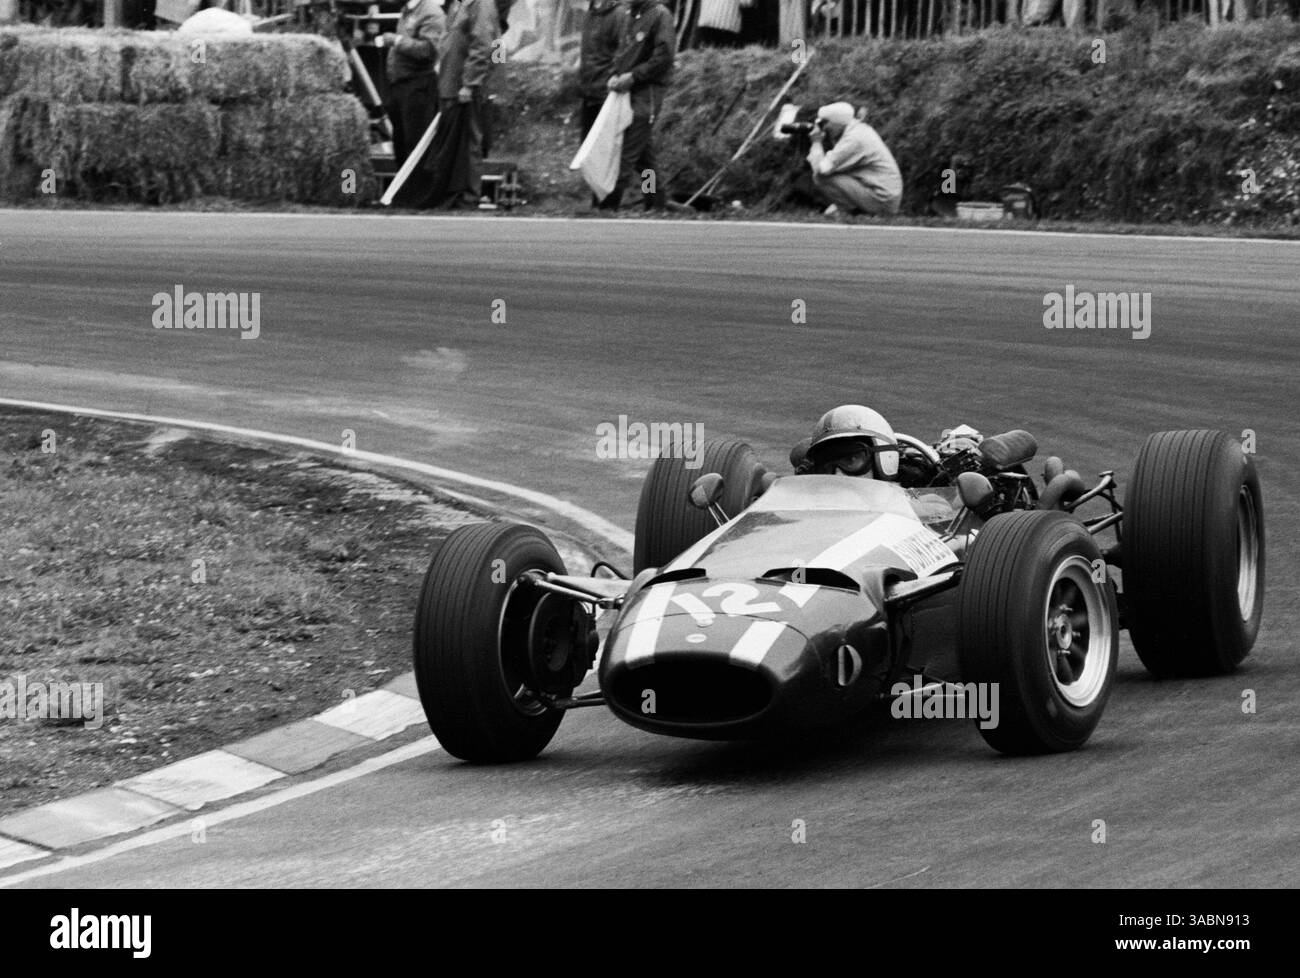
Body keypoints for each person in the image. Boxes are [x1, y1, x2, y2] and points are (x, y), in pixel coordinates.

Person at [599, 0, 675, 212]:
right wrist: (614, 75)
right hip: (626, 92)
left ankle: (609, 204)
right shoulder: (629, 16)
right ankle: (655, 200)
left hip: (647, 93)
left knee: (627, 152)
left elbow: (664, 56)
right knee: (644, 158)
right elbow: (622, 53)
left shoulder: (660, 15)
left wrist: (634, 76)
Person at [435, 0, 500, 208]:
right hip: (450, 84)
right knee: (455, 144)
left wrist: (470, 84)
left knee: (470, 142)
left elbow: (482, 45)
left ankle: (469, 196)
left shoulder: (480, 4)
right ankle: (454, 192)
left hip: (465, 87)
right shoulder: (458, 3)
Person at [382, 0, 447, 178]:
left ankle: (419, 188)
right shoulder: (408, 11)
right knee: (400, 140)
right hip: (400, 84)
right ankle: (404, 188)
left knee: (415, 140)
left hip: (418, 85)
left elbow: (429, 51)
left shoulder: (431, 13)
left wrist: (397, 41)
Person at [806, 101, 903, 217]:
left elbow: (821, 168)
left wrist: (816, 142)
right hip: (886, 195)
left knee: (820, 177)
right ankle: (852, 210)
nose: (824, 127)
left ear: (837, 122)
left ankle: (853, 213)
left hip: (882, 199)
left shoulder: (853, 140)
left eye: (825, 123)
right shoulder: (858, 129)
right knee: (831, 174)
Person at [578, 0, 629, 142]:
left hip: (606, 94)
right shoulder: (590, 13)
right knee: (586, 147)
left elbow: (624, 51)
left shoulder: (619, 14)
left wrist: (613, 77)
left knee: (604, 148)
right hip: (588, 91)